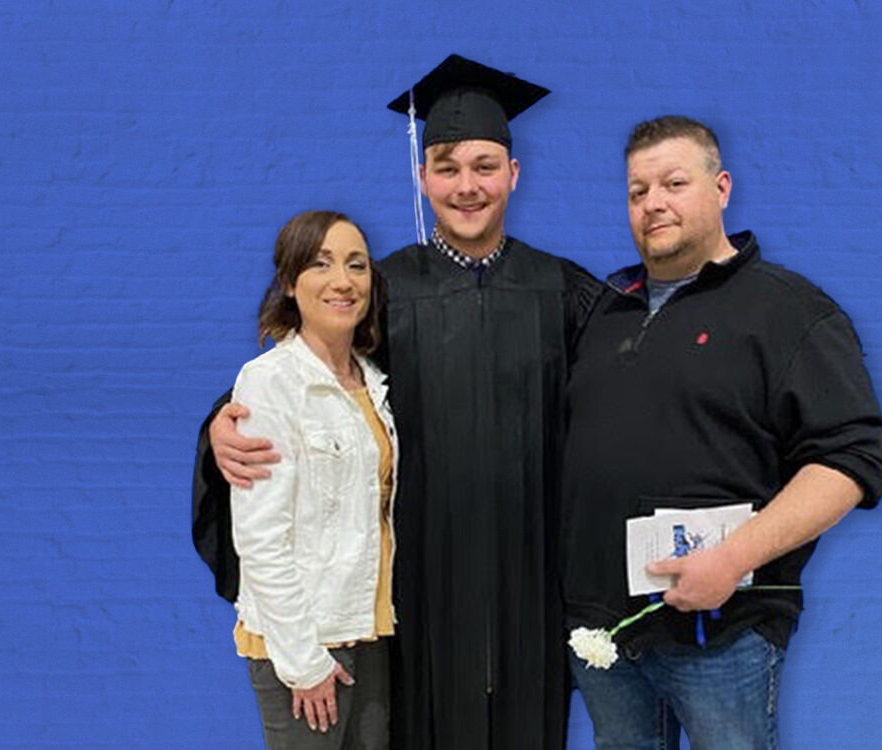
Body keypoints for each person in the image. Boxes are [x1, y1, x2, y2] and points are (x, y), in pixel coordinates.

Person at [193, 56, 600, 750]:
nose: (466, 185)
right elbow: (302, 376)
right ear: (422, 178)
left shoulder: (560, 290)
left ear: (513, 174)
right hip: (416, 588)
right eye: (446, 167)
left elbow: (630, 388)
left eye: (484, 165)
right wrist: (217, 429)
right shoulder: (384, 289)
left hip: (530, 582)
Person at [560, 116, 882, 749]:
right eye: (637, 191)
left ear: (721, 187)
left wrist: (732, 558)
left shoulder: (788, 310)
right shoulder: (604, 311)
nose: (654, 202)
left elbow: (850, 461)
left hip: (724, 632)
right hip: (606, 632)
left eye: (674, 182)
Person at [228, 210, 395, 749]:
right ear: (289, 282)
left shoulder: (372, 382)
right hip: (307, 643)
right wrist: (303, 660)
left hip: (369, 631)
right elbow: (259, 539)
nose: (343, 281)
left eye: (357, 265)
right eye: (321, 264)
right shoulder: (270, 383)